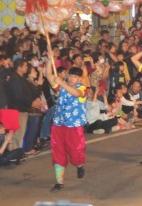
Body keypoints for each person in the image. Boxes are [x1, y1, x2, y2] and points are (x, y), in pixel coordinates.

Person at [42, 59, 87, 192]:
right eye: (71, 75)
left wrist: (61, 82)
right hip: (58, 124)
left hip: (74, 125)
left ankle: (80, 165)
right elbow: (48, 75)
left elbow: (76, 93)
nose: (72, 78)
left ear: (79, 79)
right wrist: (49, 61)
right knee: (58, 151)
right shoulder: (60, 87)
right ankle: (59, 182)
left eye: (75, 76)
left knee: (76, 151)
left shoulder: (82, 88)